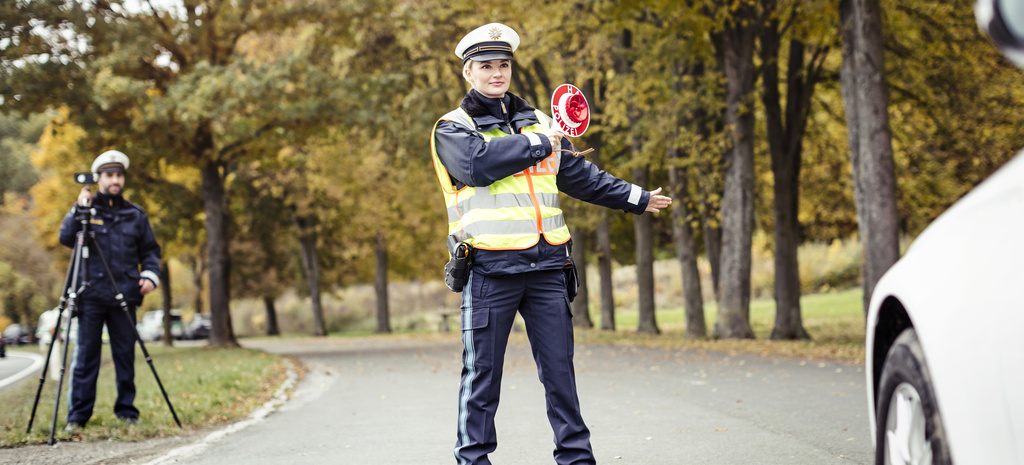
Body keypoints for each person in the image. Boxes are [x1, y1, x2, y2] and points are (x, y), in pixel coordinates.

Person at [430, 23, 673, 465]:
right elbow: (478, 167)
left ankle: (577, 460)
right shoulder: (454, 127)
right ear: (469, 73)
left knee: (561, 375)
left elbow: (579, 176)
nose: (496, 73)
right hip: (489, 271)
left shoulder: (542, 120)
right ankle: (473, 461)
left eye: (503, 65)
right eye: (486, 66)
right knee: (482, 379)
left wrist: (636, 198)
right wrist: (539, 142)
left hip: (547, 268)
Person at [58, 149, 161, 431]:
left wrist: (150, 275)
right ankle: (78, 416)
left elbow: (150, 251)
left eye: (119, 175)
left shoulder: (135, 215)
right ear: (99, 178)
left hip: (126, 294)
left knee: (125, 356)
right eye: (109, 175)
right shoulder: (86, 209)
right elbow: (66, 237)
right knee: (86, 357)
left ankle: (126, 410)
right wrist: (78, 208)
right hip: (90, 295)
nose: (115, 180)